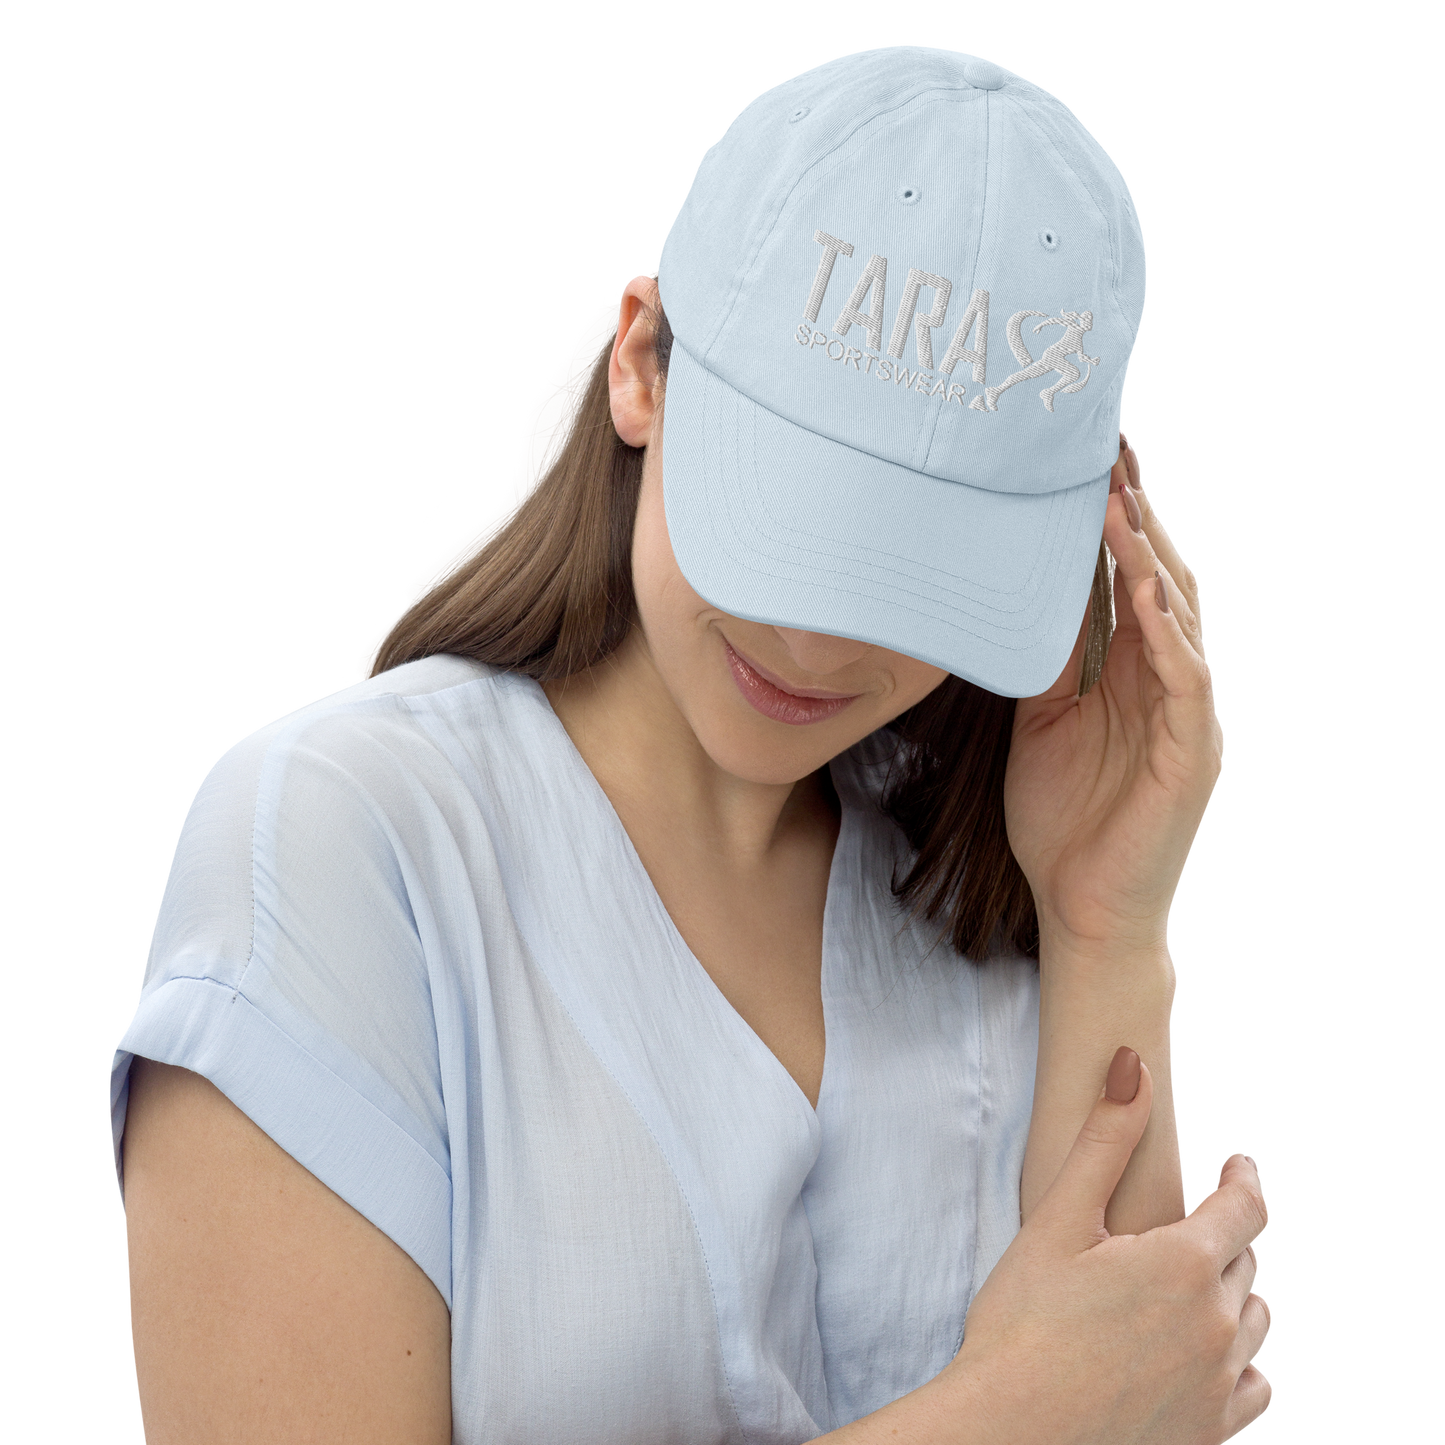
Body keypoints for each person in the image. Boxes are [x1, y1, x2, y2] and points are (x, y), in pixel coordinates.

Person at [113, 44, 1275, 1445]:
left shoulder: (993, 871)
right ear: (641, 365)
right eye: (783, 527)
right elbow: (1082, 1411)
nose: (821, 646)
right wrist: (1007, 1418)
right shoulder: (340, 840)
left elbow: (1145, 1408)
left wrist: (1106, 923)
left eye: (919, 577)